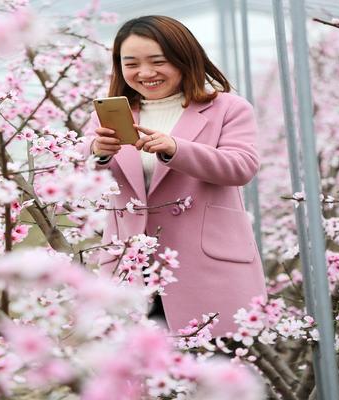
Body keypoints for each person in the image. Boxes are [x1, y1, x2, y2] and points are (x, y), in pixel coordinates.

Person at [81, 15, 266, 337]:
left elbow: (241, 166)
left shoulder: (227, 108)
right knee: (144, 378)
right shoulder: (109, 116)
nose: (145, 73)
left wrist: (175, 149)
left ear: (185, 60)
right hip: (132, 267)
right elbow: (72, 182)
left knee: (218, 371)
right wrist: (97, 153)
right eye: (132, 63)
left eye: (158, 61)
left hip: (207, 266)